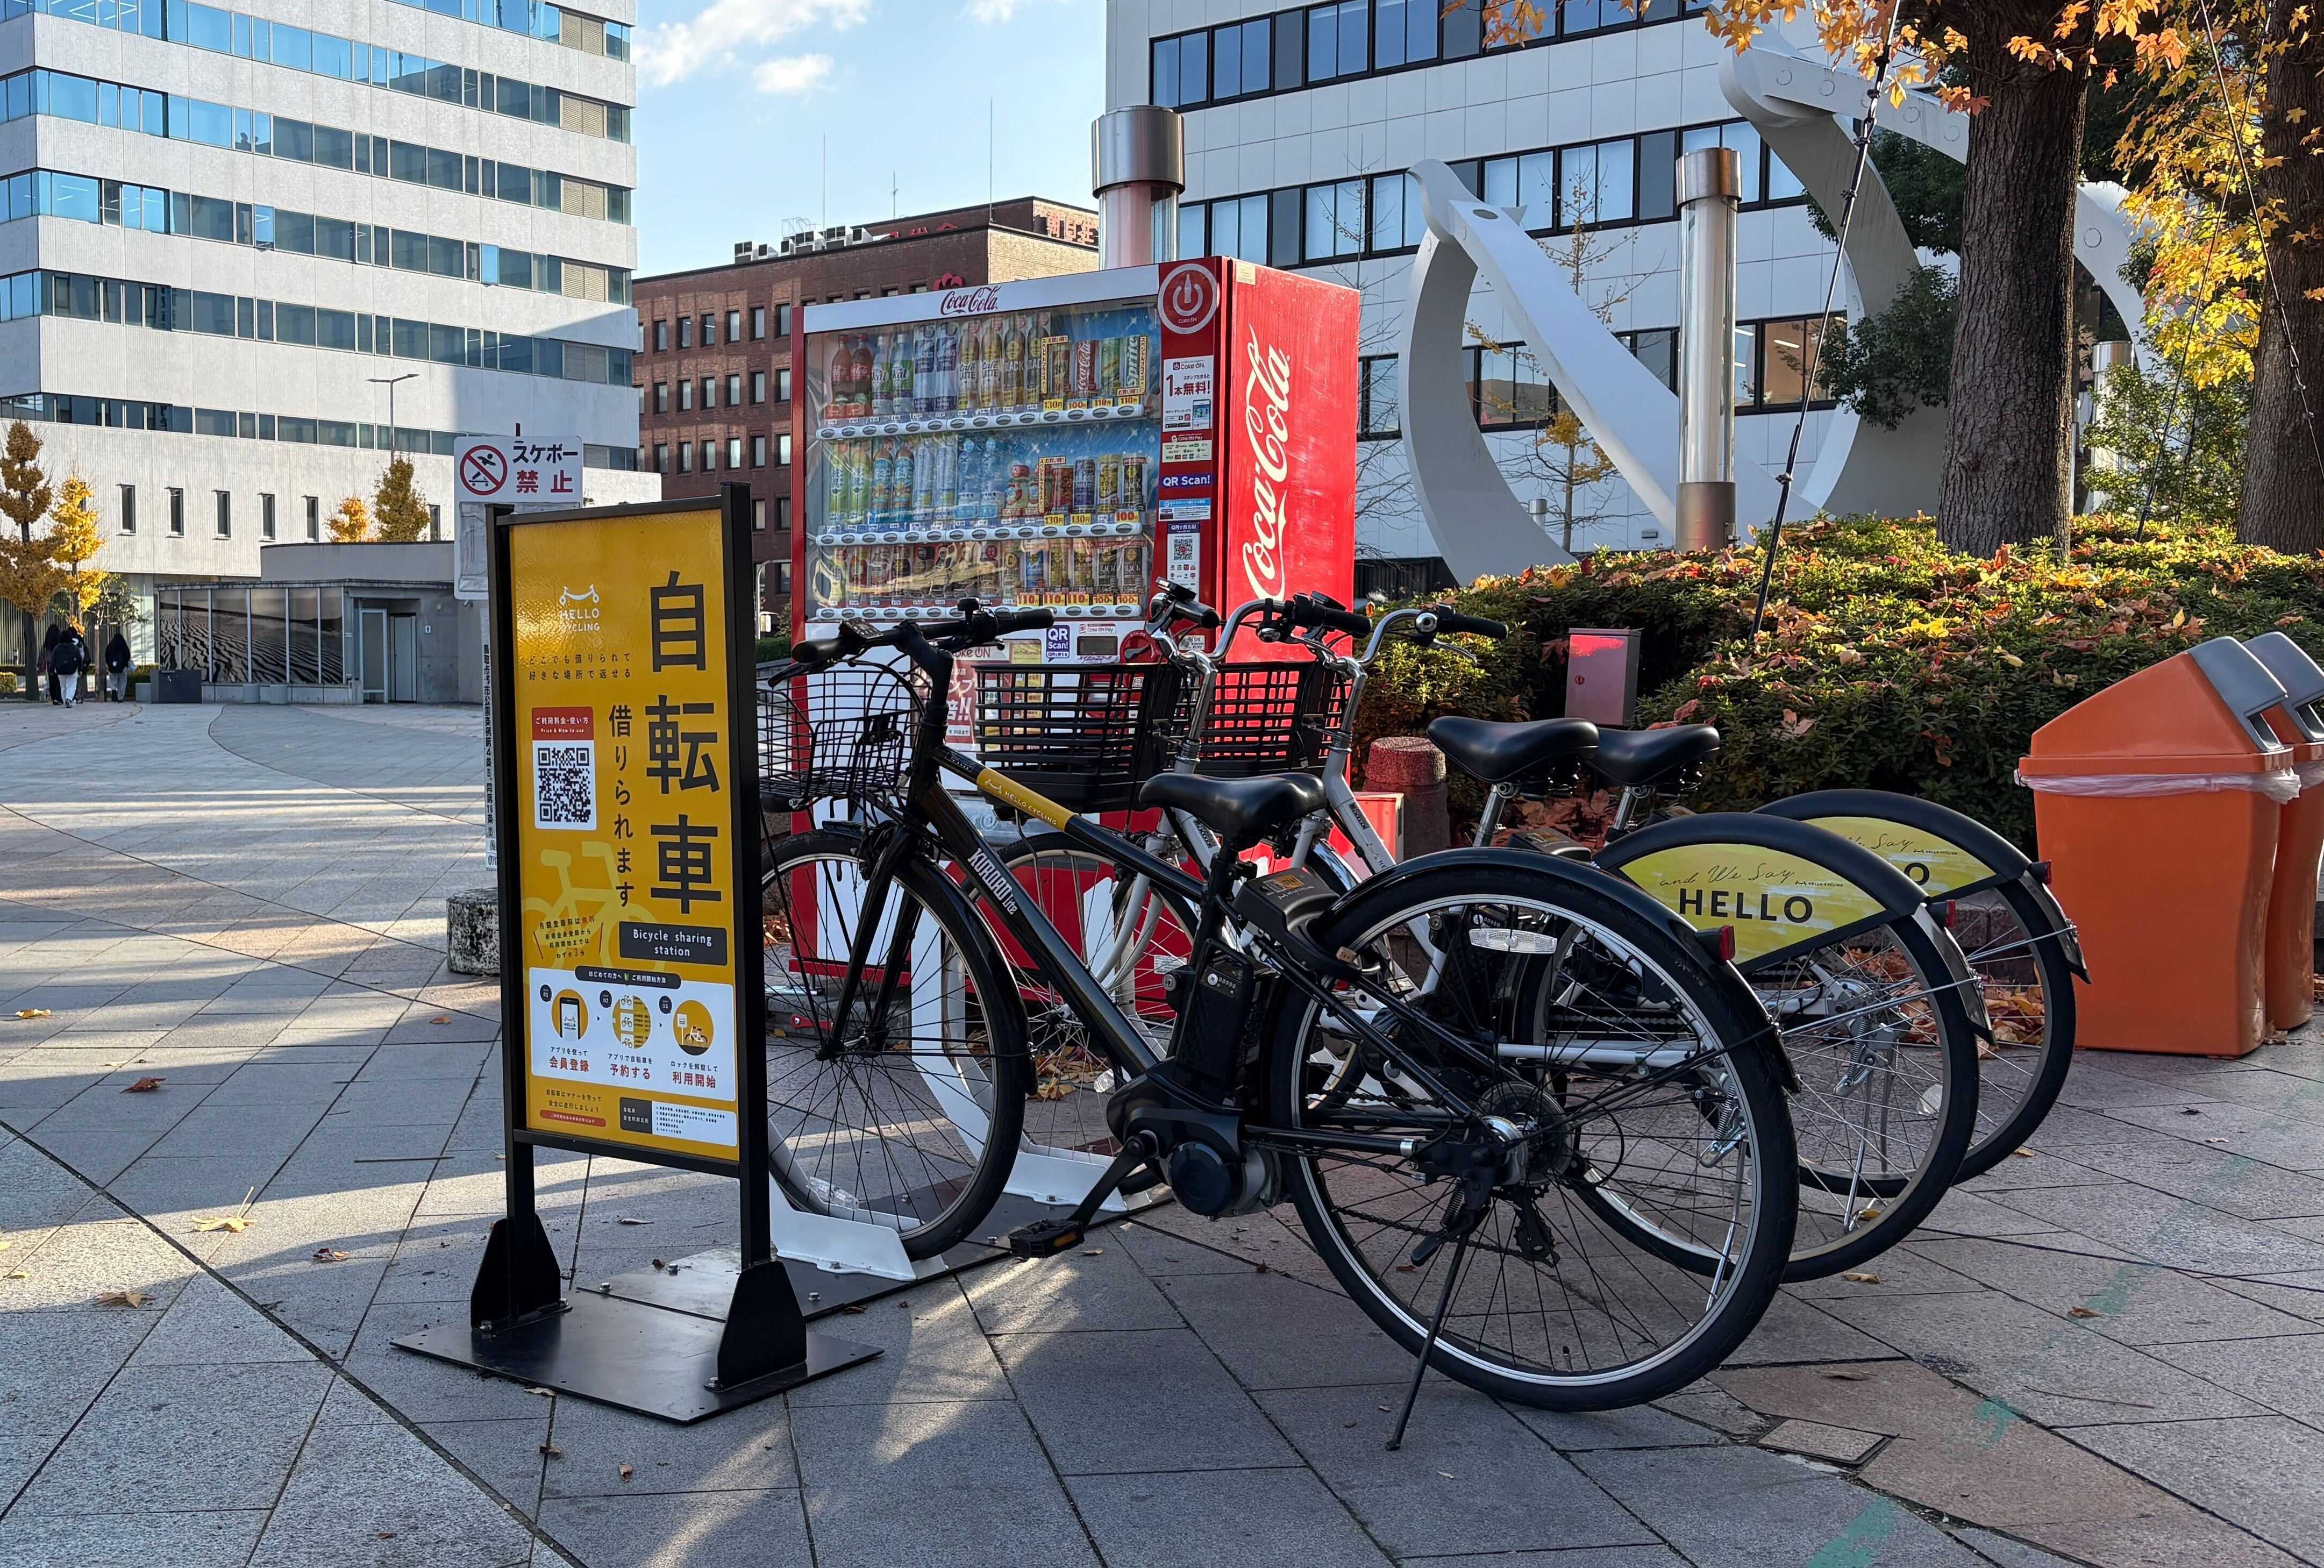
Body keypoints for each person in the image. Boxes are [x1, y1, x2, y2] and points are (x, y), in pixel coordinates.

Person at [49, 621, 87, 708]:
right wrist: (81, 670)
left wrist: (52, 669)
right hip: (72, 670)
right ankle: (69, 699)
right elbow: (79, 659)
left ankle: (64, 699)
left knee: (63, 687)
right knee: (72, 685)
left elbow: (53, 659)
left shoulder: (57, 648)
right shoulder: (74, 648)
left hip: (60, 670)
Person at [104, 630, 130, 701]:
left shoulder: (110, 646)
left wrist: (109, 665)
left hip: (112, 667)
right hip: (123, 667)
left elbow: (106, 656)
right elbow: (128, 656)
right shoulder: (124, 646)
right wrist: (125, 663)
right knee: (122, 682)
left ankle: (113, 691)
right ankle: (120, 698)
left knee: (113, 681)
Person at [38, 622, 57, 704]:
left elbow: (42, 654)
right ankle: (58, 697)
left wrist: (39, 664)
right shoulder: (58, 642)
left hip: (49, 663)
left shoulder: (46, 644)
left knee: (51, 680)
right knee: (58, 681)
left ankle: (53, 697)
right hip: (58, 663)